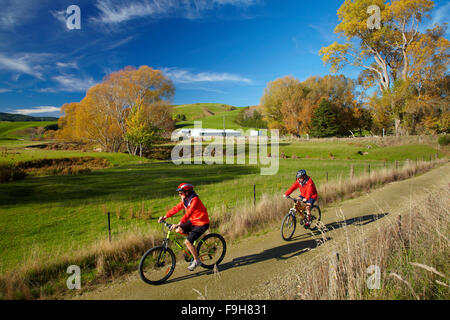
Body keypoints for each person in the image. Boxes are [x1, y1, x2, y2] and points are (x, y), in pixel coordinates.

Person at [158, 183, 210, 271]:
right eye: (179, 193)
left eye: (181, 193)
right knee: (179, 230)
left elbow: (188, 213)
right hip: (193, 221)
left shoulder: (195, 200)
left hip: (202, 223)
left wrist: (179, 223)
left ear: (187, 192)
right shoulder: (185, 199)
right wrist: (165, 216)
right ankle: (192, 245)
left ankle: (197, 260)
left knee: (187, 242)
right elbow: (176, 208)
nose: (179, 194)